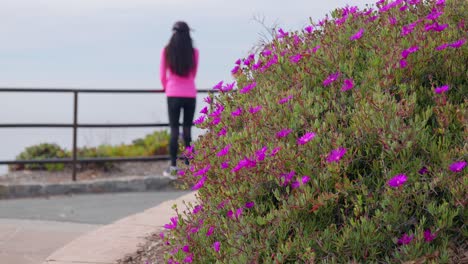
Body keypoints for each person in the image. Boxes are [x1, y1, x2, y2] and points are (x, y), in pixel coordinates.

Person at [160, 21, 199, 177]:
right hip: (190, 93)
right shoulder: (194, 52)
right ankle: (189, 165)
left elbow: (163, 75)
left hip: (173, 93)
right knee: (187, 130)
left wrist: (167, 86)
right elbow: (194, 73)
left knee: (174, 131)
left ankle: (174, 167)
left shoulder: (167, 51)